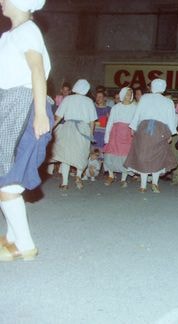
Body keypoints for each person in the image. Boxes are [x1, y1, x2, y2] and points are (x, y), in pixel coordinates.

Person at [0, 0, 53, 261]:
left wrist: (41, 113)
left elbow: (37, 71)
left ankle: (24, 243)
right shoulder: (11, 35)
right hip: (10, 106)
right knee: (8, 177)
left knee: (7, 178)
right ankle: (11, 238)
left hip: (24, 107)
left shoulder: (27, 31)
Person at [124, 79, 177, 193]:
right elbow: (171, 119)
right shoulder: (168, 102)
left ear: (152, 87)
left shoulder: (145, 98)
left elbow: (137, 113)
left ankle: (143, 186)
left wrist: (133, 127)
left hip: (144, 129)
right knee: (158, 157)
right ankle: (155, 183)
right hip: (161, 130)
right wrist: (171, 133)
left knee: (143, 156)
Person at [52, 79, 97, 190]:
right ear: (86, 90)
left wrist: (51, 128)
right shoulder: (89, 101)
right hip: (83, 129)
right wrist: (91, 134)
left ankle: (65, 183)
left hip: (68, 128)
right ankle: (78, 176)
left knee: (66, 156)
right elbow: (92, 121)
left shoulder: (68, 99)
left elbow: (58, 117)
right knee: (81, 154)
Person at [102, 87, 136, 187]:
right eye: (126, 94)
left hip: (128, 134)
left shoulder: (135, 107)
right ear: (122, 95)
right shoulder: (115, 107)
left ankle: (123, 179)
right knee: (110, 154)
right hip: (115, 134)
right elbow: (110, 122)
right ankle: (111, 175)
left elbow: (136, 122)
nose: (128, 96)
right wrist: (106, 137)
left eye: (130, 94)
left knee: (125, 156)